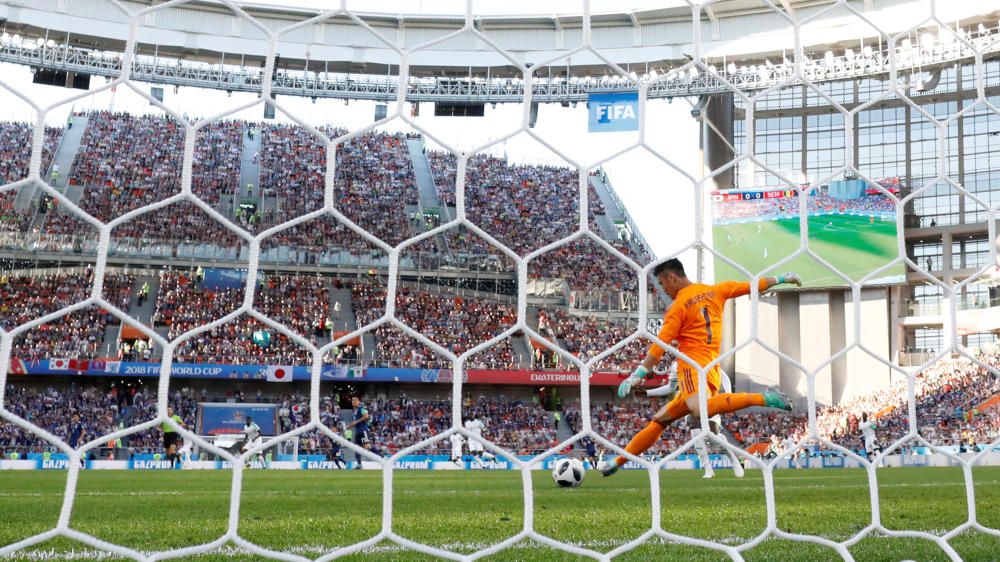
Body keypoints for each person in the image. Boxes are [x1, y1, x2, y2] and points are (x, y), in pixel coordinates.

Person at [601, 258, 800, 477]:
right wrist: (782, 278)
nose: (664, 290)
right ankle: (618, 462)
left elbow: (659, 346)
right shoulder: (716, 290)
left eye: (663, 283)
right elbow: (751, 285)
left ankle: (764, 398)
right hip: (711, 368)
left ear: (672, 277)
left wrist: (636, 375)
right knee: (660, 421)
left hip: (691, 368)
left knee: (699, 410)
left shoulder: (677, 307)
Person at [644, 363, 746, 479]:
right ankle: (708, 468)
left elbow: (723, 376)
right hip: (690, 403)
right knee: (695, 431)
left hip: (710, 401)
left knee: (713, 437)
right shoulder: (676, 365)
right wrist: (647, 392)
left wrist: (728, 393)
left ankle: (733, 459)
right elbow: (670, 388)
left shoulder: (703, 358)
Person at [345, 396, 370, 469]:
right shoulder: (354, 411)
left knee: (367, 447)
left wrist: (355, 422)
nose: (354, 401)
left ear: (359, 401)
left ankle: (381, 457)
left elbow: (366, 416)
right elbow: (355, 422)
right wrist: (349, 426)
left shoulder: (361, 408)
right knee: (356, 448)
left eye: (355, 400)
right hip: (357, 432)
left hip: (363, 431)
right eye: (352, 400)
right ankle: (359, 464)